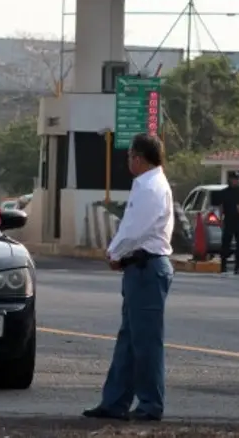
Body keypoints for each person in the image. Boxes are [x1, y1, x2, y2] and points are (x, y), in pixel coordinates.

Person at [83, 133, 174, 422]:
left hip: (147, 267)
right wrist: (118, 253)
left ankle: (150, 404)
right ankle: (115, 402)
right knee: (129, 340)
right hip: (138, 268)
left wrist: (114, 252)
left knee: (146, 341)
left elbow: (136, 230)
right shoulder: (145, 184)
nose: (128, 162)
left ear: (139, 157)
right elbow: (131, 227)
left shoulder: (150, 187)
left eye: (130, 156)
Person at [215, 171, 239, 275]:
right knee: (226, 244)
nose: (235, 181)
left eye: (237, 179)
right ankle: (223, 265)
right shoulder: (224, 192)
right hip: (229, 220)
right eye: (233, 179)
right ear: (230, 180)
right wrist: (220, 219)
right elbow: (220, 206)